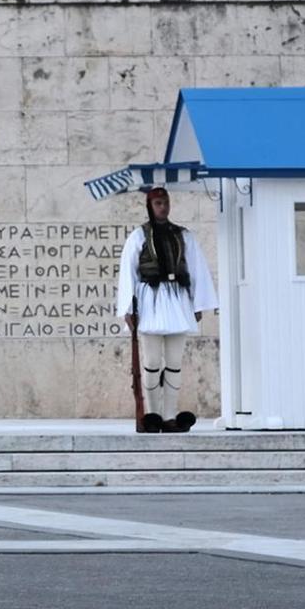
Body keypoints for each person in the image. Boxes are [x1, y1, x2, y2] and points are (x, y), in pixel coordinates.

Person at [115, 186, 217, 433]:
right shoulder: (139, 236)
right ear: (150, 206)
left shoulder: (183, 235)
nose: (163, 207)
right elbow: (128, 273)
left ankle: (170, 416)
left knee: (174, 362)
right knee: (151, 362)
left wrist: (198, 302)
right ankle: (153, 414)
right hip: (150, 301)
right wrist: (128, 308)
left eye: (166, 202)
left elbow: (197, 269)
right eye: (159, 203)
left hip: (178, 301)